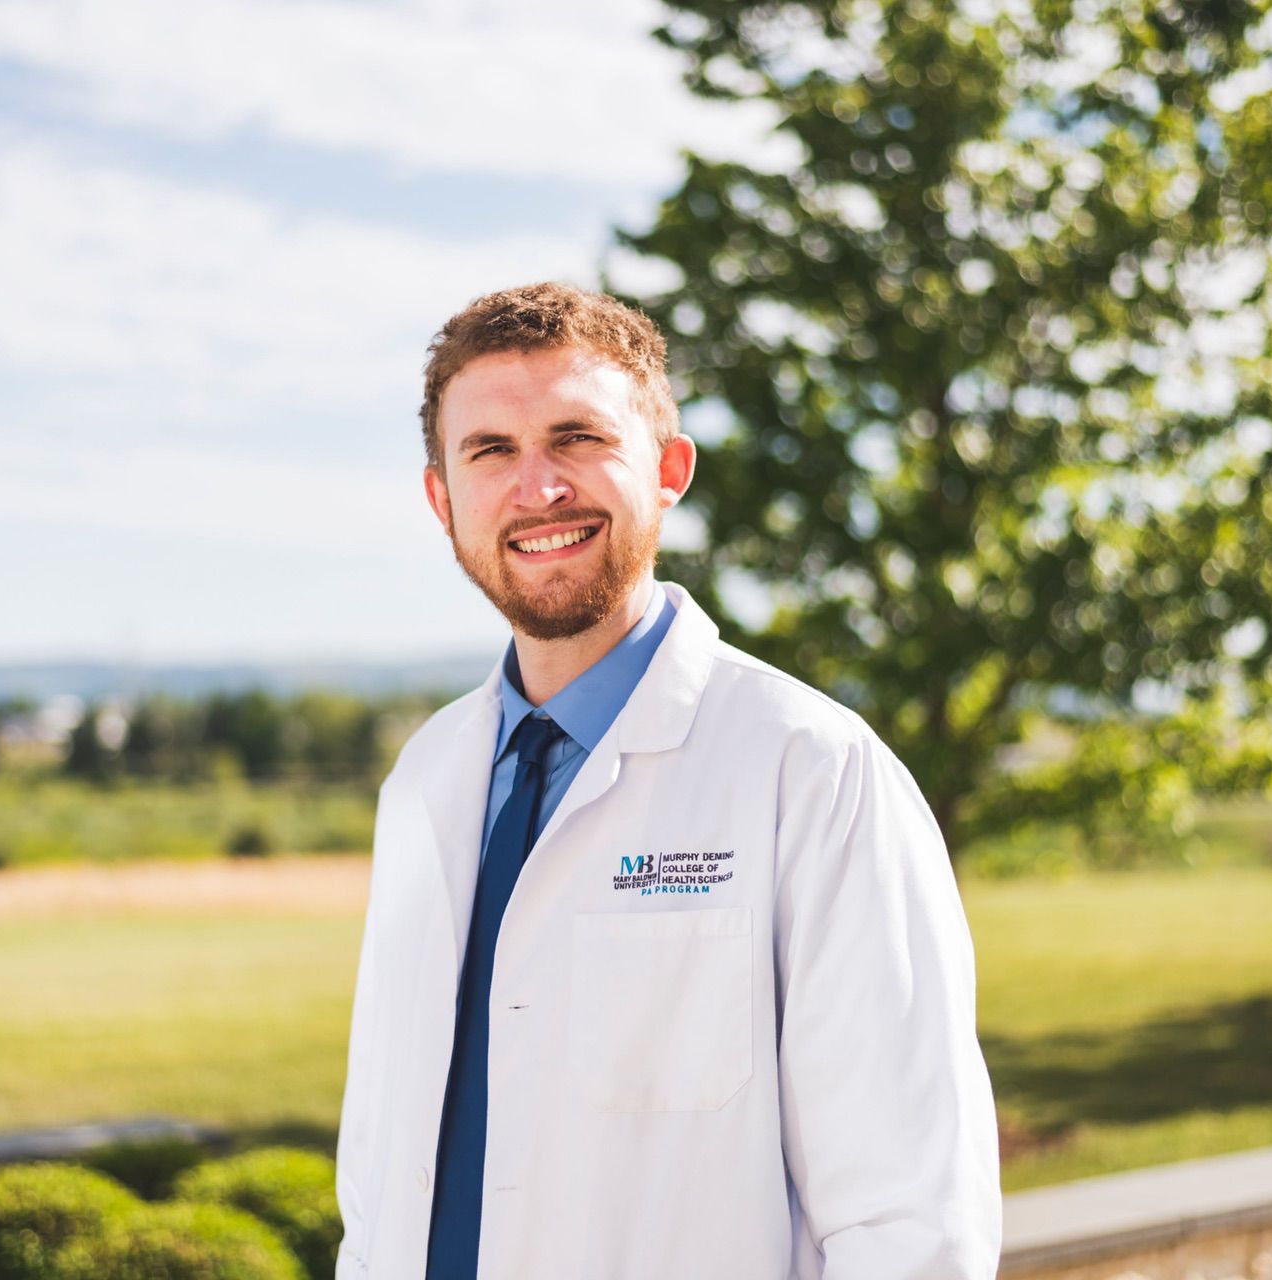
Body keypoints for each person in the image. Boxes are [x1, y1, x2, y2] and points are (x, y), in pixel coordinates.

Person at [333, 281, 1001, 1279]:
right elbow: (379, 1174)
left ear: (669, 469)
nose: (539, 488)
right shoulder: (424, 782)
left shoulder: (811, 770)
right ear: (442, 500)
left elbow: (911, 1221)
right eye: (491, 451)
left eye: (577, 438)